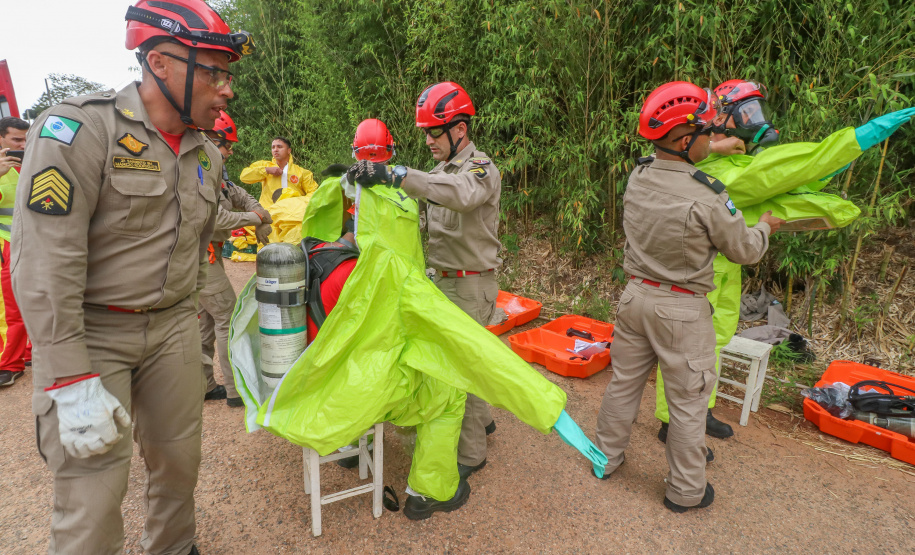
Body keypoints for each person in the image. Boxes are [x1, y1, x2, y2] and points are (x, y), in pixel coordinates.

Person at [11, 1, 253, 552]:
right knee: (92, 494)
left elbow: (194, 241)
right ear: (160, 63)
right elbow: (46, 263)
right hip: (94, 334)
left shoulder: (205, 156)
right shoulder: (78, 131)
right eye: (213, 71)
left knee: (179, 465)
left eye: (227, 73)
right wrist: (68, 376)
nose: (226, 89)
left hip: (172, 331)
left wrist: (189, 317)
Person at [653, 80, 915, 443]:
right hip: (702, 272)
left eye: (756, 111)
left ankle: (701, 410)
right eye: (746, 112)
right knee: (689, 352)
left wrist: (718, 145)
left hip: (725, 268)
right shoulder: (723, 173)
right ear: (720, 118)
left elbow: (798, 175)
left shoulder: (724, 160)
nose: (755, 120)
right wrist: (859, 138)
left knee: (711, 345)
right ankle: (674, 424)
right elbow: (795, 168)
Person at [593, 81, 784, 513]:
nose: (712, 138)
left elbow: (679, 160)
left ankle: (604, 459)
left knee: (623, 385)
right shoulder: (710, 197)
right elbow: (745, 250)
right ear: (684, 140)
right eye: (706, 133)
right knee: (687, 401)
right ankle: (685, 491)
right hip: (680, 311)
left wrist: (712, 148)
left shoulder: (639, 175)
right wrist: (766, 227)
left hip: (634, 298)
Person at [347, 82, 500, 484]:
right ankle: (482, 422)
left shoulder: (478, 169)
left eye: (434, 132)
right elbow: (412, 206)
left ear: (460, 130)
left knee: (458, 369)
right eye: (425, 134)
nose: (428, 141)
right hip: (444, 281)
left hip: (470, 284)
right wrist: (368, 187)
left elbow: (460, 195)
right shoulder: (437, 172)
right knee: (472, 358)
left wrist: (396, 174)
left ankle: (470, 454)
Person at [200, 110, 272, 407]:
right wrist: (255, 219)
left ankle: (204, 385)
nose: (230, 151)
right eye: (227, 144)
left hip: (207, 256)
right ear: (211, 140)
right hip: (199, 258)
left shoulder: (217, 175)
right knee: (228, 317)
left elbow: (244, 197)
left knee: (204, 322)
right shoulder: (198, 172)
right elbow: (217, 218)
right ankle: (235, 390)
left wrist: (260, 216)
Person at [0, 116, 30, 387]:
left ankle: (28, 352)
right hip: (7, 242)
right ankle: (9, 364)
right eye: (16, 140)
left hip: (38, 242)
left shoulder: (36, 160)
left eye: (25, 139)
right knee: (9, 309)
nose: (23, 145)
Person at [240, 136, 318, 209]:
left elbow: (314, 193)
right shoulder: (264, 165)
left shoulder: (302, 172)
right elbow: (244, 176)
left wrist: (299, 203)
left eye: (279, 147)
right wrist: (267, 170)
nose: (275, 149)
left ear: (289, 150)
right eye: (273, 147)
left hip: (293, 213)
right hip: (270, 212)